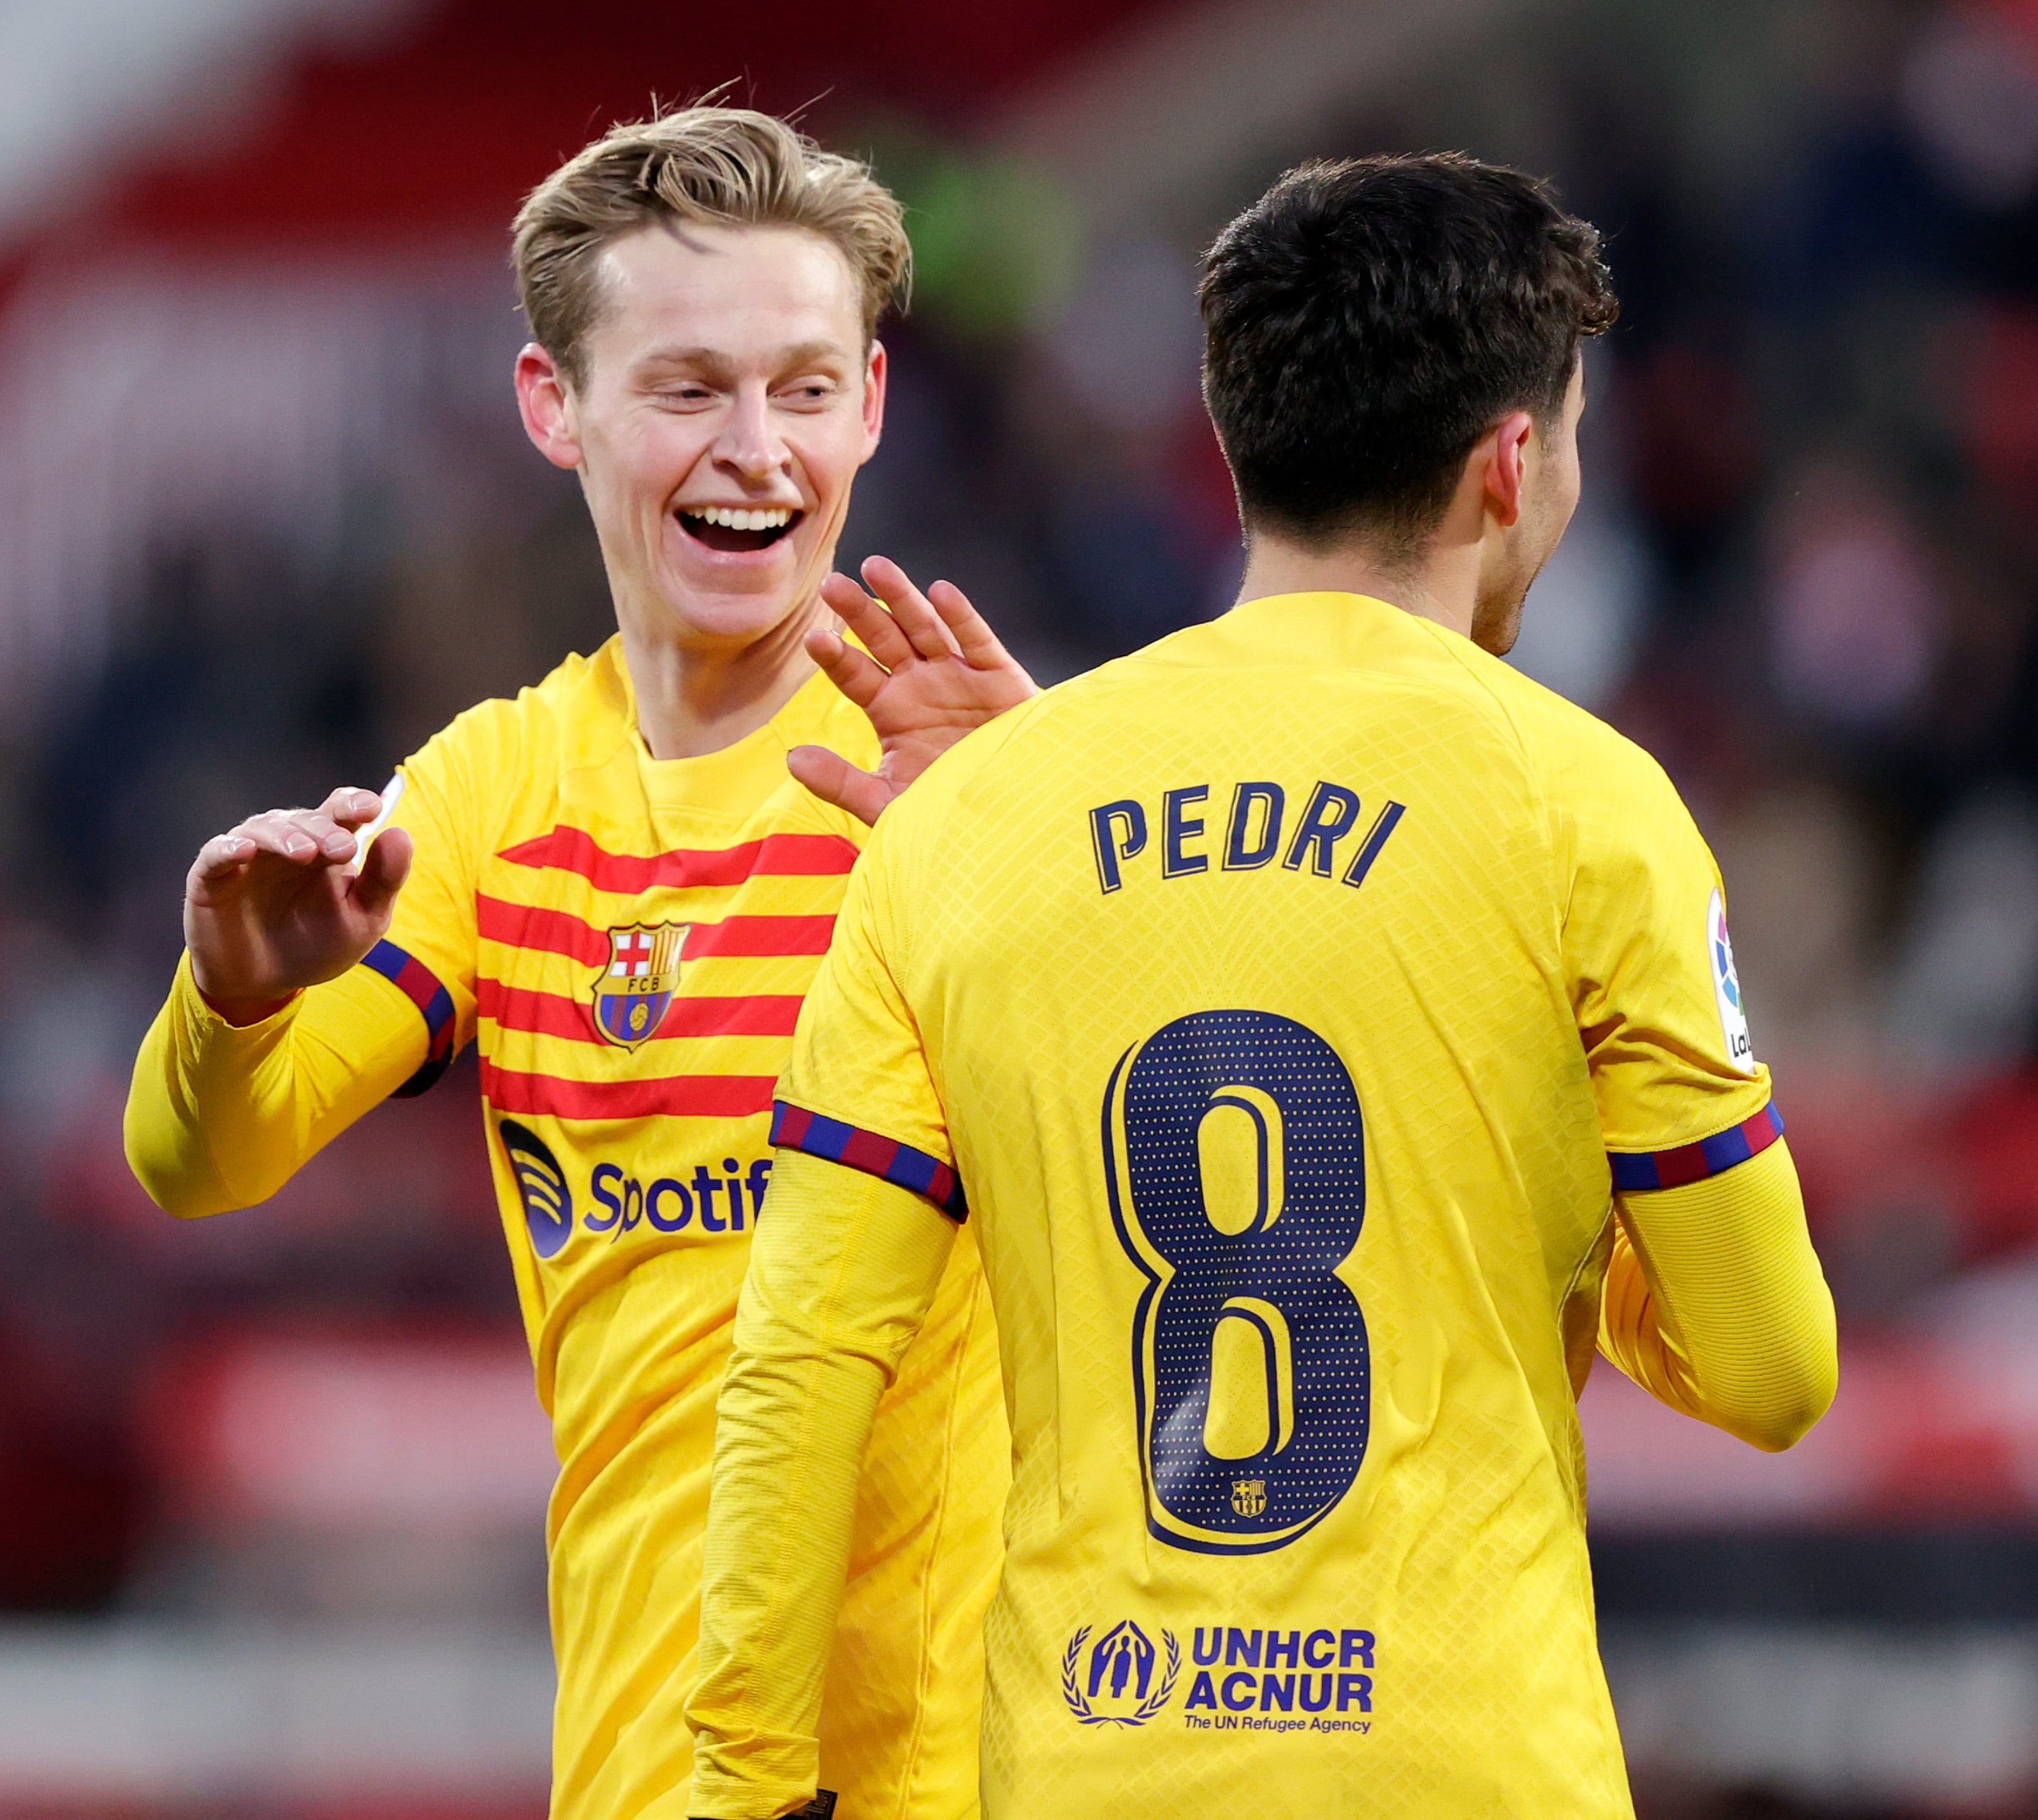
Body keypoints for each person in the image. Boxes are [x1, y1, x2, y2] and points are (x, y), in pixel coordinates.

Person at [686, 153, 1838, 1819]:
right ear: (1508, 465)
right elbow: (1772, 1372)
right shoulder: (1590, 811)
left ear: (1238, 441)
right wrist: (1561, 1251)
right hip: (1462, 1770)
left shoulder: (969, 826)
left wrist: (741, 1790)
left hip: (1098, 1767)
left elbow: (797, 1360)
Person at [123, 107, 1032, 1820]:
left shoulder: (974, 763)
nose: (757, 447)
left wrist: (1057, 854)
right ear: (556, 407)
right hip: (641, 1777)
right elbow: (199, 1162)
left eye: (806, 386)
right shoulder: (489, 796)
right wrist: (236, 994)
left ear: (872, 408)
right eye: (688, 387)